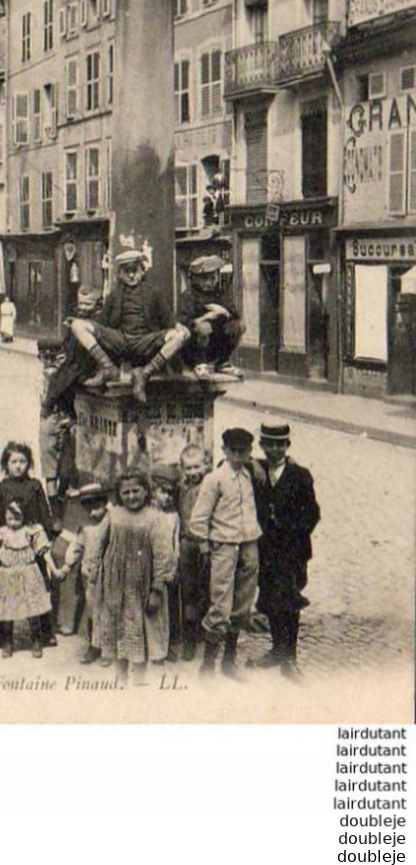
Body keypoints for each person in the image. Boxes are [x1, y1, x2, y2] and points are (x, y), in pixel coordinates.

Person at [87, 468, 176, 678]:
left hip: (142, 588)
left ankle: (138, 681)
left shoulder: (155, 518)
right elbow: (98, 543)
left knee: (140, 635)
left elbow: (164, 555)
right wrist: (93, 571)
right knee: (118, 632)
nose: (131, 496)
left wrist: (157, 588)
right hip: (114, 586)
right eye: (125, 493)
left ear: (146, 491)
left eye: (136, 491)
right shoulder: (114, 515)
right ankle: (120, 679)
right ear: (119, 494)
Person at [70, 249, 189, 404]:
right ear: (120, 274)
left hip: (146, 341)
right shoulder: (114, 295)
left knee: (178, 336)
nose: (131, 275)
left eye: (135, 270)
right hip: (121, 340)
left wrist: (180, 327)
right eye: (127, 272)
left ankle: (145, 374)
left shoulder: (154, 293)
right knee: (77, 325)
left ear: (142, 271)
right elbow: (102, 322)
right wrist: (84, 318)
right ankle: (108, 367)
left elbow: (169, 321)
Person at [189, 428, 262, 677]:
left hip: (249, 543)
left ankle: (229, 662)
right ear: (226, 451)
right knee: (220, 603)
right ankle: (208, 665)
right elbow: (198, 519)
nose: (240, 457)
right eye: (236, 451)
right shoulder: (215, 479)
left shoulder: (247, 476)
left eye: (245, 451)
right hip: (224, 545)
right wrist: (205, 548)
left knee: (242, 603)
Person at [252, 421, 320, 680]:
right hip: (266, 551)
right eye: (269, 444)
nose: (275, 449)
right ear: (262, 445)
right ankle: (276, 649)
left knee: (290, 602)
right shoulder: (257, 472)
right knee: (270, 599)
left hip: (292, 553)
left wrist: (290, 529)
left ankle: (289, 658)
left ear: (287, 446)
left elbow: (312, 514)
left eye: (280, 444)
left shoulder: (300, 476)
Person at [0, 441, 56, 648]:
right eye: (14, 461)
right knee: (5, 590)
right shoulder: (1, 489)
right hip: (7, 548)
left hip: (31, 547)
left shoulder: (35, 487)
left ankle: (44, 631)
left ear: (29, 463)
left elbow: (44, 513)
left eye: (23, 461)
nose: (18, 466)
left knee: (36, 589)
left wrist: (43, 534)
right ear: (6, 464)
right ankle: (3, 633)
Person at [0, 500, 59, 659]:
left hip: (28, 573)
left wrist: (54, 569)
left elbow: (44, 550)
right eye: (9, 518)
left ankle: (36, 639)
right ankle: (7, 641)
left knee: (33, 609)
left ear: (25, 517)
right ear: (4, 517)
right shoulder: (0, 532)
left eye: (17, 518)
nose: (13, 522)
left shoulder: (31, 531)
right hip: (8, 575)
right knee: (8, 610)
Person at [56, 482, 112, 664]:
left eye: (96, 507)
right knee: (92, 611)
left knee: (109, 611)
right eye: (88, 508)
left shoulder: (111, 522)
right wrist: (66, 566)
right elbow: (77, 548)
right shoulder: (86, 526)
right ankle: (93, 646)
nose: (93, 513)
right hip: (89, 576)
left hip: (110, 575)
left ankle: (108, 649)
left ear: (104, 504)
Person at [178, 255, 244, 378]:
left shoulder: (220, 294)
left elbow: (235, 314)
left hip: (217, 340)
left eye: (213, 278)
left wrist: (225, 312)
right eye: (205, 279)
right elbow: (183, 322)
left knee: (239, 326)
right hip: (194, 345)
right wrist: (205, 318)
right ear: (195, 279)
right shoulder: (188, 296)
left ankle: (223, 362)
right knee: (204, 327)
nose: (210, 282)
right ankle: (199, 364)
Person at [42, 286, 103, 417]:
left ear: (98, 305)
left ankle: (50, 404)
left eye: (88, 304)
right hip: (74, 360)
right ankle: (63, 411)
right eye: (81, 303)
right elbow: (69, 344)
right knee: (57, 377)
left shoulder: (98, 321)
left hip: (87, 362)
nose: (83, 307)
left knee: (64, 379)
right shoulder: (76, 319)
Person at [176, 444, 213, 660]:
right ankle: (189, 639)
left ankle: (205, 635)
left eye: (196, 467)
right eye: (187, 468)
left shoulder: (210, 486)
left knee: (206, 590)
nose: (192, 472)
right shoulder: (181, 488)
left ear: (205, 465)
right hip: (187, 544)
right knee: (187, 591)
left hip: (205, 544)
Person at [150, 464, 181, 662]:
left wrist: (175, 566)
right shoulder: (147, 515)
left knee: (168, 611)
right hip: (151, 570)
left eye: (171, 493)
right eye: (163, 492)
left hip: (168, 569)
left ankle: (165, 645)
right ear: (153, 491)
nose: (167, 497)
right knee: (152, 610)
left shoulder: (173, 516)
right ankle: (153, 649)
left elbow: (175, 543)